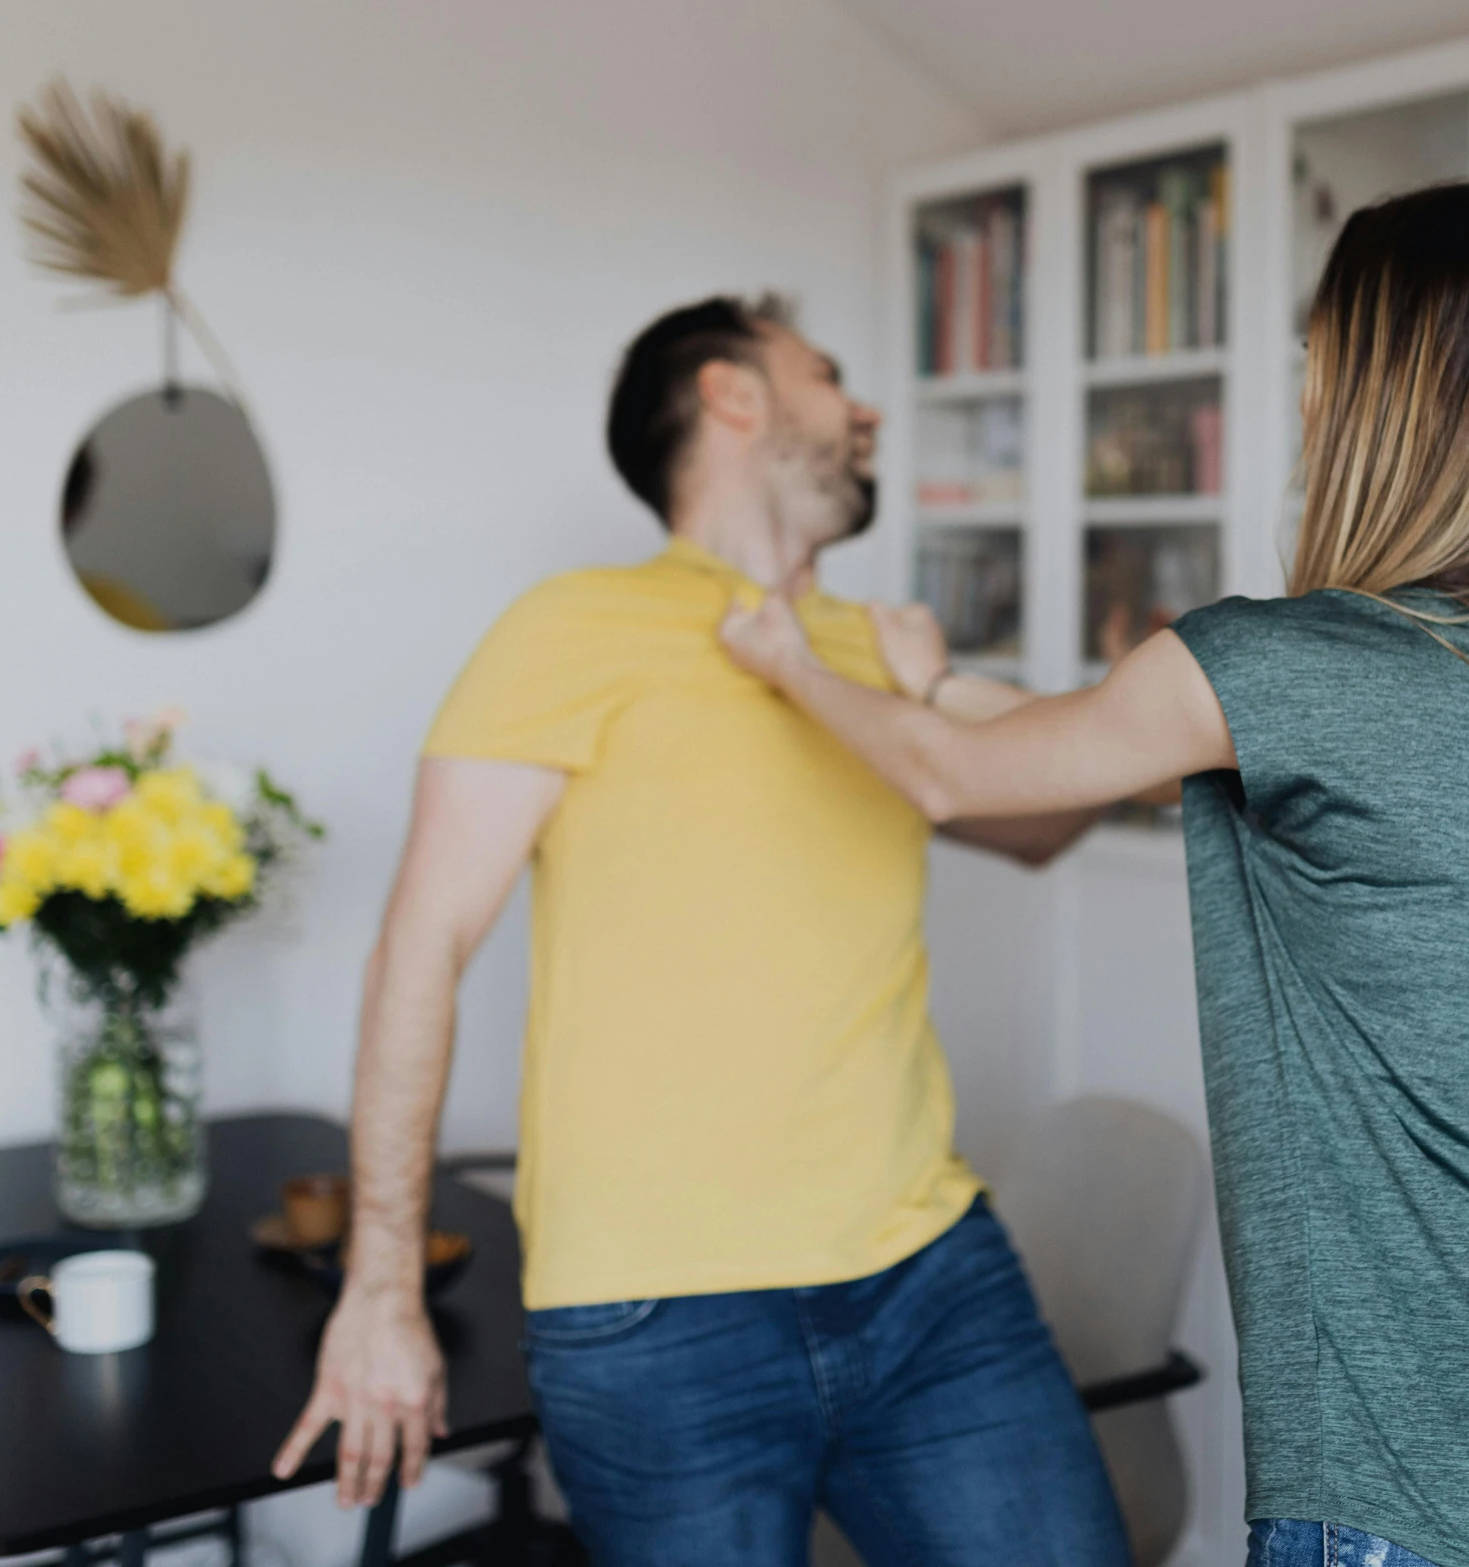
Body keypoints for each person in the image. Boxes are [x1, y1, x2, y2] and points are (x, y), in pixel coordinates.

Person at [719, 180, 1469, 1567]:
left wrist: (791, 664)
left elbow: (947, 775)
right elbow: (1082, 744)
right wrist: (940, 683)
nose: (1306, 389)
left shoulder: (1292, 662)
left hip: (1436, 1494)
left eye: (1321, 352)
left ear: (1392, 390)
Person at [273, 294, 1132, 1567]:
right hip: (656, 1324)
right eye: (830, 375)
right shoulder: (567, 627)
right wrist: (382, 1286)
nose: (867, 408)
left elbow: (1047, 823)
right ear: (732, 394)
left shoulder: (871, 655)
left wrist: (937, 685)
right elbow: (421, 947)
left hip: (928, 1276)